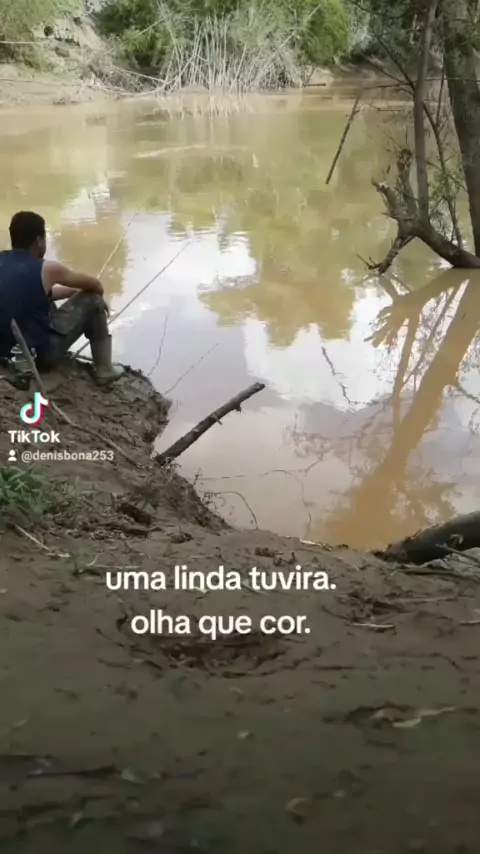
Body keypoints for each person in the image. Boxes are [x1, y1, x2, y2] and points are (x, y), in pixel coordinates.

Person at [0, 211, 123, 383]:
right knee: (93, 300)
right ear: (39, 240)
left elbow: (37, 293)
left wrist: (75, 292)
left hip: (6, 354)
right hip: (39, 359)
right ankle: (105, 370)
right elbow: (95, 285)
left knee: (37, 302)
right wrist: (96, 298)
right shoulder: (47, 268)